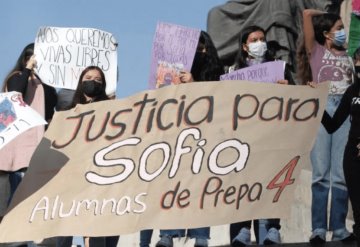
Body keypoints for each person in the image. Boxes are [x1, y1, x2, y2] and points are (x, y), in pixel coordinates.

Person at [154, 31, 224, 247]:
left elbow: (217, 103)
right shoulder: (174, 72)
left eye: (201, 48)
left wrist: (194, 85)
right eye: (193, 49)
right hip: (176, 134)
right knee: (172, 182)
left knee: (200, 185)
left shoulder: (215, 75)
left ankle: (200, 235)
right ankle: (168, 233)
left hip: (204, 136)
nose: (197, 53)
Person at [229, 25, 294, 247]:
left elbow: (296, 99)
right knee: (243, 184)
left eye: (262, 39)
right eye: (254, 39)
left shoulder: (279, 69)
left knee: (270, 182)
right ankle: (243, 228)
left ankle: (271, 228)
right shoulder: (232, 72)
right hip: (244, 139)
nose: (259, 43)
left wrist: (288, 88)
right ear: (245, 46)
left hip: (272, 137)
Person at [301, 9, 354, 243]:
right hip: (322, 110)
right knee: (320, 174)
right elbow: (306, 16)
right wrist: (320, 12)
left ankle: (339, 228)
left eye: (343, 27)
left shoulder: (351, 57)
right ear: (327, 34)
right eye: (339, 28)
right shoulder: (316, 52)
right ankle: (319, 229)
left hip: (345, 111)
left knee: (341, 174)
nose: (343, 32)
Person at [56, 66, 119, 247]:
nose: (93, 82)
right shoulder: (67, 112)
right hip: (71, 177)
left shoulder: (111, 110)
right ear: (80, 81)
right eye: (89, 77)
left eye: (98, 80)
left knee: (96, 225)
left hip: (99, 176)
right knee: (65, 223)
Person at [0, 43, 57, 213]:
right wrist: (28, 69)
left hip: (35, 142)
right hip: (15, 141)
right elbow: (16, 92)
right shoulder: (16, 77)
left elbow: (50, 110)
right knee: (9, 199)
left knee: (27, 197)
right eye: (30, 56)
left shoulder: (44, 86)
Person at [319, 47, 360, 247]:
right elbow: (332, 125)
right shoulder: (352, 91)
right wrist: (316, 103)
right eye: (358, 62)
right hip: (353, 157)